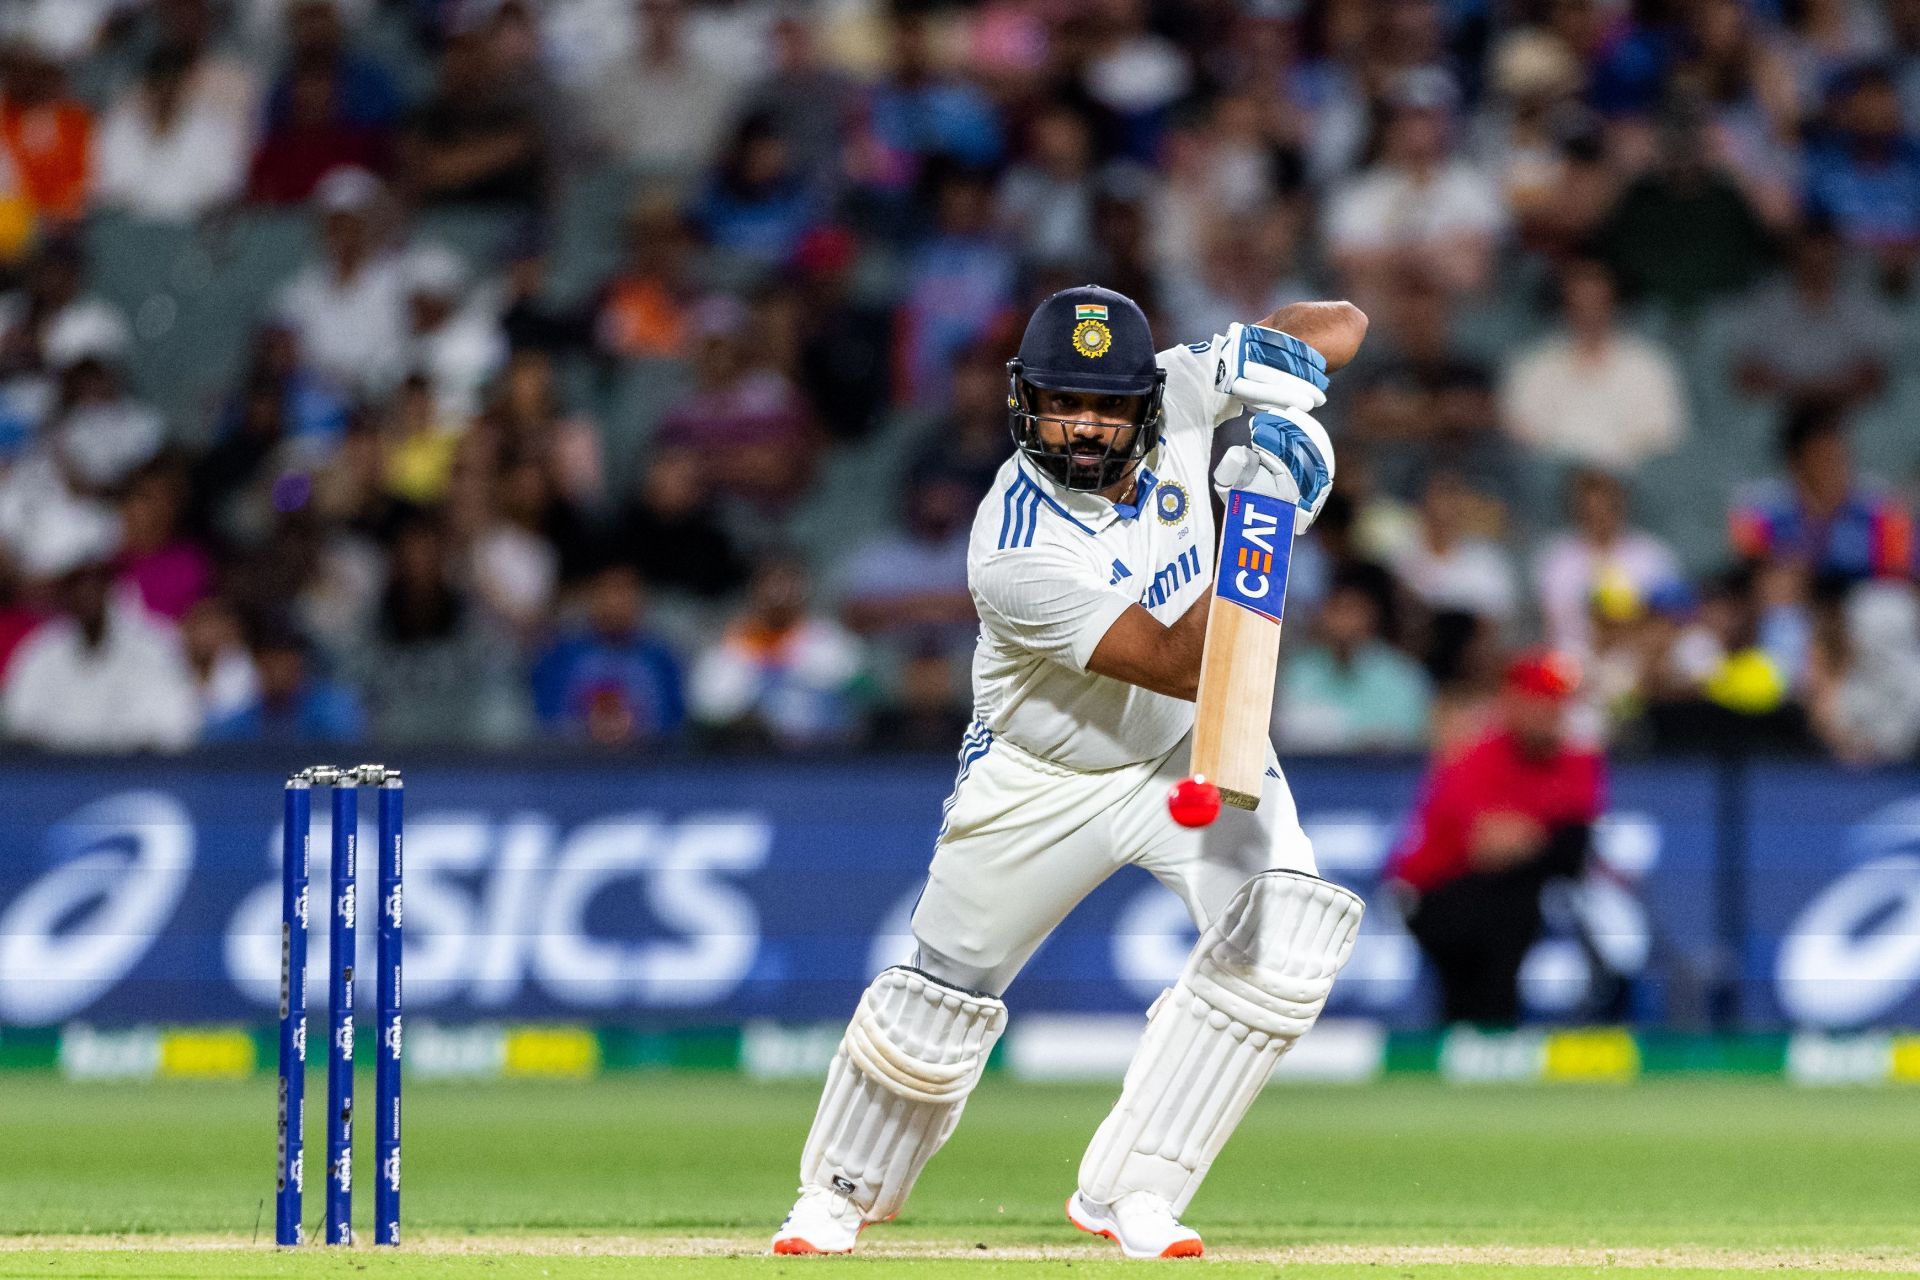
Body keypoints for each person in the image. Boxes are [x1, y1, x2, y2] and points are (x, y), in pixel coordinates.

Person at [771, 287, 1369, 1259]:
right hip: (1042, 776)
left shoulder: (1178, 391)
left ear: (1145, 398)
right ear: (1027, 402)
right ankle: (838, 1190)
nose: (1083, 425)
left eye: (1105, 404)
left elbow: (1344, 323)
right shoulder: (1013, 545)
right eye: (1061, 402)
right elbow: (1183, 655)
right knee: (939, 999)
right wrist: (1267, 515)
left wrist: (1279, 356)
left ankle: (1133, 1190)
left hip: (1186, 745)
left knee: (1287, 940)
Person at [1385, 650, 1605, 1027]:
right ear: (1513, 702)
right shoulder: (1476, 756)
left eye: (1558, 703)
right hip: (1434, 891)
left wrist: (1526, 834)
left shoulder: (1576, 759)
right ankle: (1485, 1028)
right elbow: (1486, 849)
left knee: (1522, 898)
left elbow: (1575, 840)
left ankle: (1490, 1027)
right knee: (1506, 912)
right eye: (1541, 701)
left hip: (1508, 892)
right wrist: (1539, 834)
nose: (1552, 712)